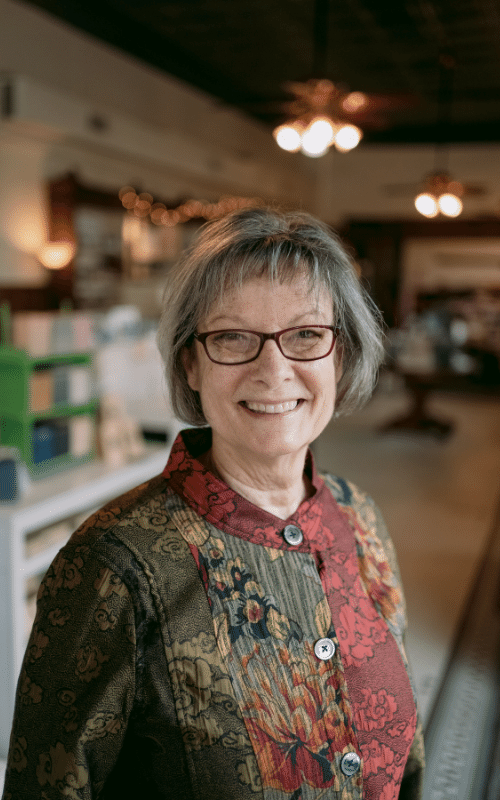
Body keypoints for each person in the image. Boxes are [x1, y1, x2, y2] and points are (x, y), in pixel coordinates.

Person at [2, 207, 424, 800]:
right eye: (232, 337)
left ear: (342, 354)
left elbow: (409, 762)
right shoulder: (112, 567)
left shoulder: (359, 515)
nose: (274, 370)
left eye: (306, 334)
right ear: (190, 364)